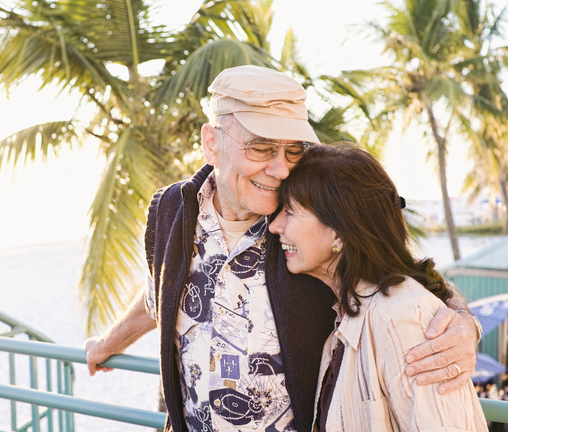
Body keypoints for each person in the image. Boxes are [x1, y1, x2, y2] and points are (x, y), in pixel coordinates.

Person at [84, 65, 481, 432]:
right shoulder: (173, 210)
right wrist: (108, 343)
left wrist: (463, 323)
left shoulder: (303, 222)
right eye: (261, 148)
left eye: (292, 150)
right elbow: (161, 289)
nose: (280, 169)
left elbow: (397, 273)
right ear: (211, 143)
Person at [269, 142, 488, 431]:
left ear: (338, 229)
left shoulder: (400, 316)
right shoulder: (352, 312)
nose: (275, 226)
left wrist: (466, 321)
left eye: (289, 211)